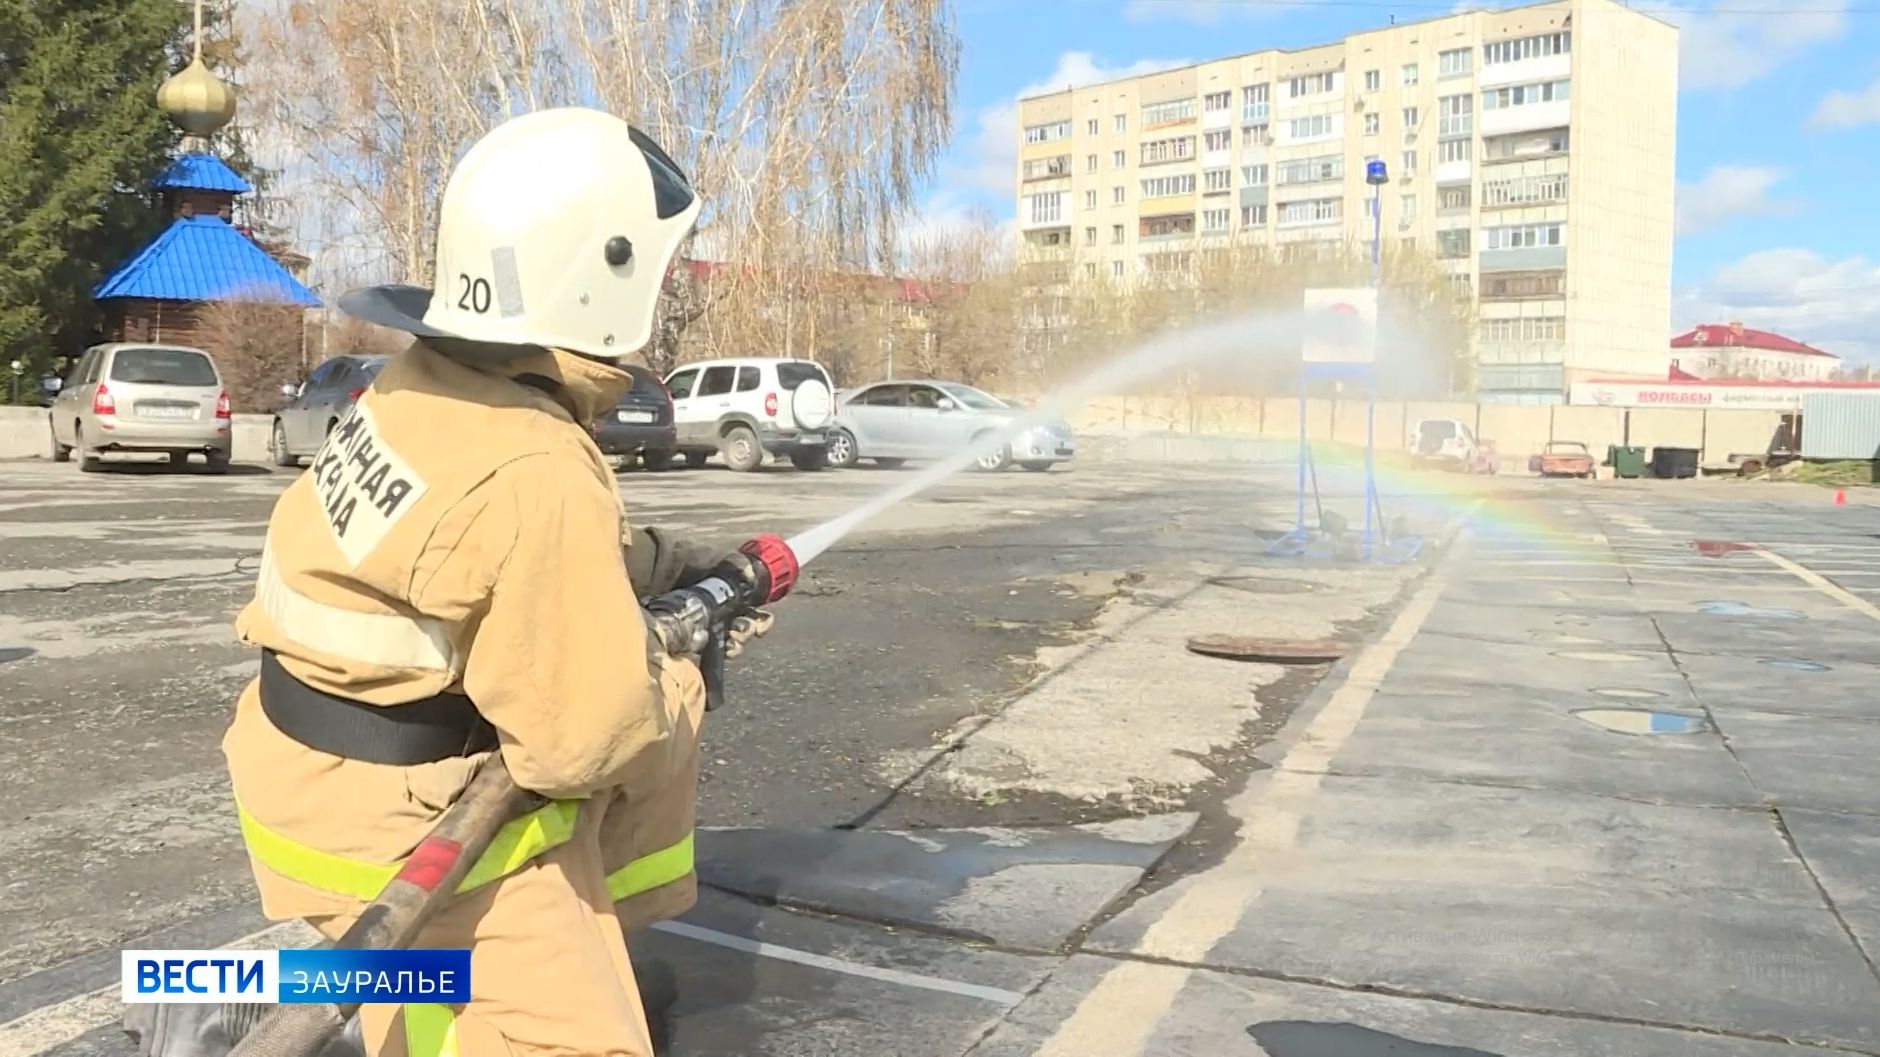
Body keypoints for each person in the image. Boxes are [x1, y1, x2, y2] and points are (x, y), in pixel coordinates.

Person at [221, 107, 761, 1057]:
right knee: (580, 1039)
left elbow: (460, 551)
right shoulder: (537, 463)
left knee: (449, 985)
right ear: (605, 271)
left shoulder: (420, 383)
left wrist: (655, 564)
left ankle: (537, 960)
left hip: (289, 769)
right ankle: (493, 988)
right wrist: (673, 671)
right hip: (398, 826)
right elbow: (582, 744)